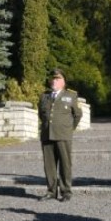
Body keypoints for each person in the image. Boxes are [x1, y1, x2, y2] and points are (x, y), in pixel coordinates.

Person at [39, 68, 82, 202]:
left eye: (57, 79)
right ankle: (51, 192)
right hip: (47, 135)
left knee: (65, 164)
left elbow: (77, 114)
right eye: (53, 78)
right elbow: (41, 114)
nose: (54, 81)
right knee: (49, 166)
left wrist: (69, 129)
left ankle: (66, 192)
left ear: (64, 81)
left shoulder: (71, 96)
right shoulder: (44, 96)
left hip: (63, 135)